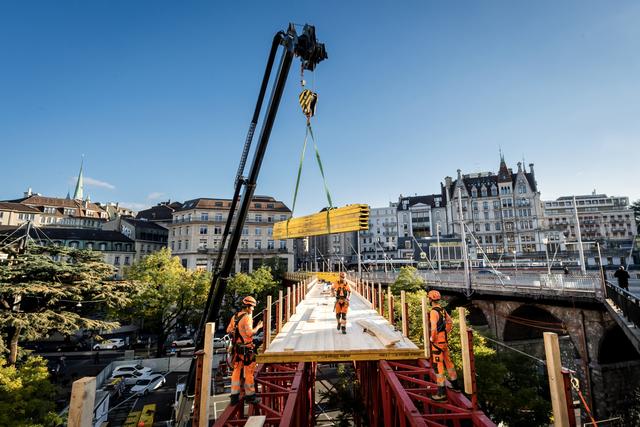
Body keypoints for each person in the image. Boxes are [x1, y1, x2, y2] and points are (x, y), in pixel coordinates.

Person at [226, 296, 263, 405]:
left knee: (236, 372)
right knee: (249, 372)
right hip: (246, 349)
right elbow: (250, 333)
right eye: (252, 307)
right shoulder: (247, 317)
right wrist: (258, 326)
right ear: (248, 307)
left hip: (237, 349)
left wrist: (237, 332)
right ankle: (250, 396)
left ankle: (234, 396)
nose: (253, 310)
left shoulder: (235, 317)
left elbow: (228, 330)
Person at [428, 289, 460, 401]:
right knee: (449, 363)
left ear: (430, 299)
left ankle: (441, 394)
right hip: (444, 341)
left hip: (437, 343)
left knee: (438, 366)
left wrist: (433, 337)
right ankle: (456, 386)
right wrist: (446, 332)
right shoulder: (442, 310)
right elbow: (450, 322)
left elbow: (433, 328)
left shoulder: (433, 312)